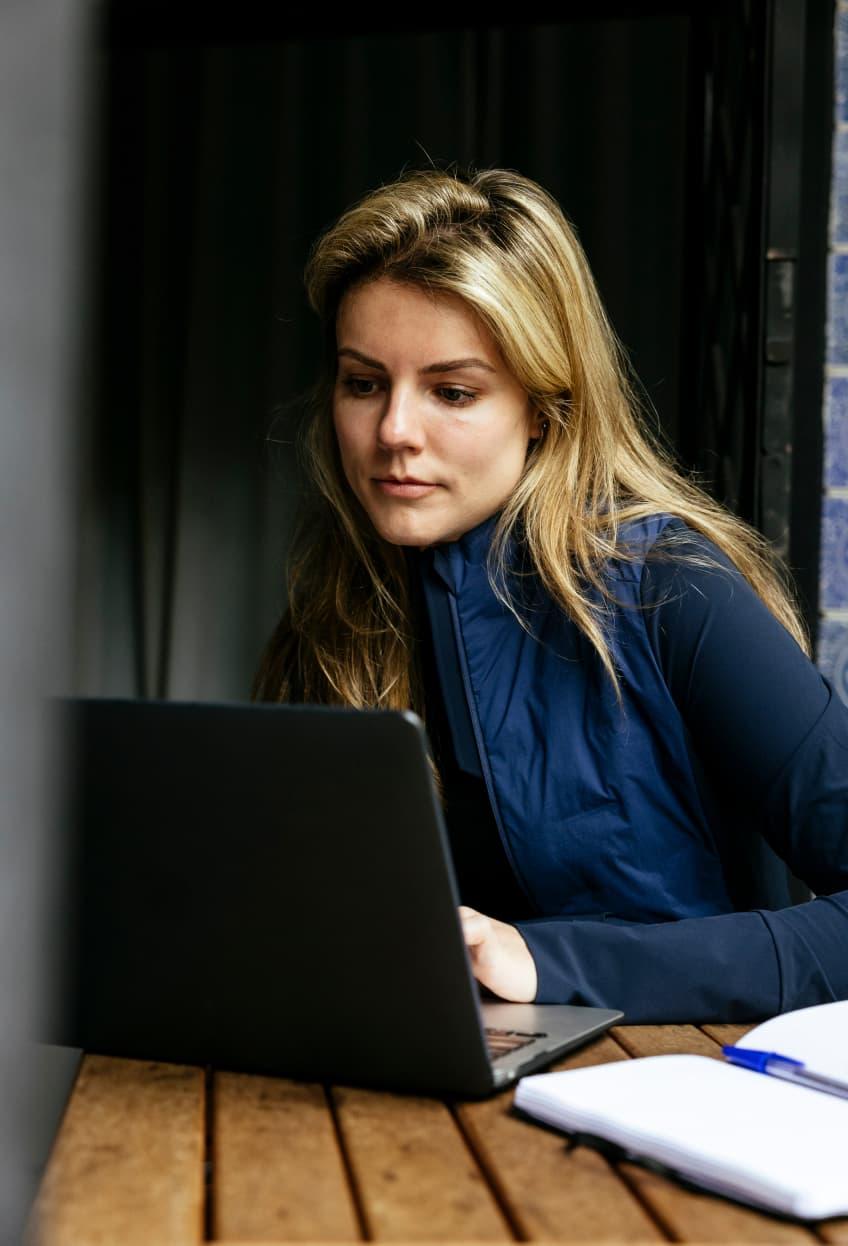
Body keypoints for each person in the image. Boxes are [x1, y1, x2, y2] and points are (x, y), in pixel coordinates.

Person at [254, 166, 848, 1022]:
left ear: (547, 407)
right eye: (364, 383)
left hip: (673, 1093)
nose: (394, 433)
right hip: (418, 1082)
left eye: (452, 392)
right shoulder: (335, 610)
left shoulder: (675, 588)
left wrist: (550, 958)